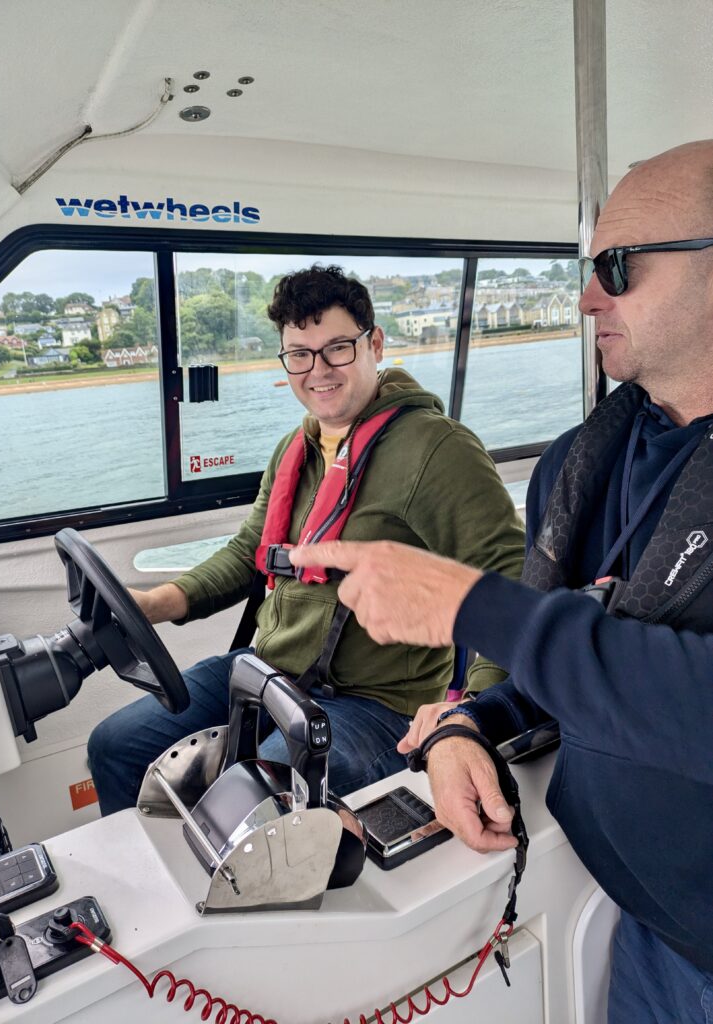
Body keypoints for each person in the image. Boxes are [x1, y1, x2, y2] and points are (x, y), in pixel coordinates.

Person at [289, 141, 713, 1022]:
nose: (589, 295)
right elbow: (570, 659)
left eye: (617, 266)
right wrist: (467, 723)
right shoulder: (581, 465)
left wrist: (467, 603)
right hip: (650, 924)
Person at [88, 264, 525, 815]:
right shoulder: (296, 447)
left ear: (375, 344)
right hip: (267, 669)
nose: (318, 370)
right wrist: (154, 604)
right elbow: (250, 552)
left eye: (338, 348)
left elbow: (509, 575)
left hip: (374, 704)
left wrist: (473, 713)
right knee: (116, 745)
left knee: (259, 803)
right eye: (299, 354)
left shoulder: (438, 450)